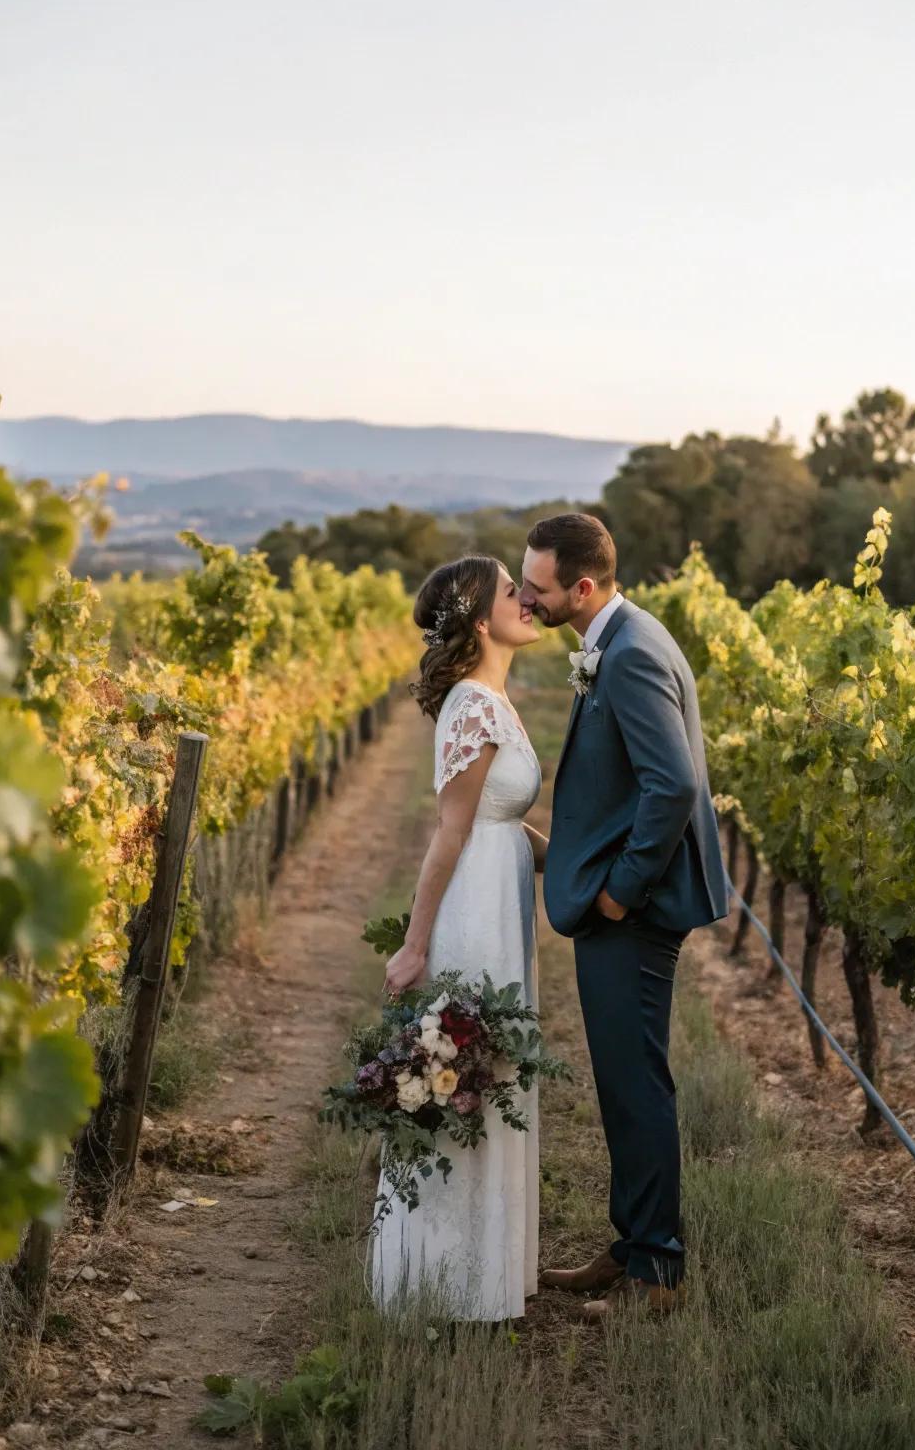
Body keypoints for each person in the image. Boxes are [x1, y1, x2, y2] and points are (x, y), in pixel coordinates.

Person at [520, 512, 727, 1322]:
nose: (525, 599)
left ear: (581, 586)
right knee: (619, 1080)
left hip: (635, 911)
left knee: (636, 1085)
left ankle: (658, 1273)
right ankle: (632, 1243)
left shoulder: (632, 653)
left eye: (537, 587)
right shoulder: (623, 635)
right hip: (622, 899)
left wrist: (619, 891)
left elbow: (671, 786)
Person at [372, 554, 547, 1322]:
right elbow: (450, 834)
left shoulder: (491, 699)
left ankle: (483, 1276)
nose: (528, 600)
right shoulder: (473, 706)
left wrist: (576, 865)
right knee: (469, 1078)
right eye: (514, 591)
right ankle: (444, 1285)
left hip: (499, 892)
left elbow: (499, 822)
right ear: (482, 619)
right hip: (474, 906)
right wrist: (415, 945)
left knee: (489, 1074)